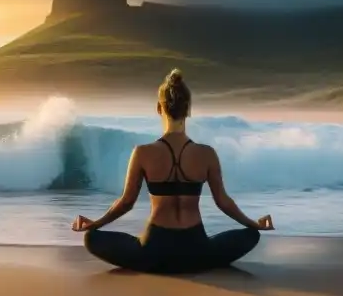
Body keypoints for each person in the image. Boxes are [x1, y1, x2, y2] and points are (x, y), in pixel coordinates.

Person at [72, 68, 274, 274]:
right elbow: (223, 202)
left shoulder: (143, 153)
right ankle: (202, 258)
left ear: (159, 108)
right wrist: (253, 224)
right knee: (251, 235)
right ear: (188, 110)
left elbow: (126, 203)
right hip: (196, 252)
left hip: (153, 252)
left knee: (91, 238)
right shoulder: (207, 154)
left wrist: (96, 223)